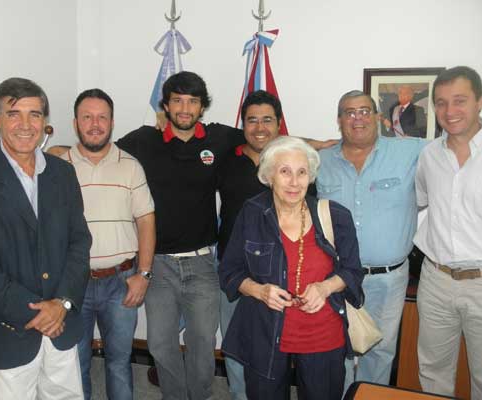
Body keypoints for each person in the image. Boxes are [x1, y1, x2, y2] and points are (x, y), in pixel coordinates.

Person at [116, 71, 332, 400]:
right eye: (177, 100)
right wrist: (62, 152)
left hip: (204, 261)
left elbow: (267, 138)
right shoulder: (145, 139)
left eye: (192, 101)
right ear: (166, 105)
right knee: (160, 342)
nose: (185, 108)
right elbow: (103, 152)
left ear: (203, 107)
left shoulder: (219, 139)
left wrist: (316, 144)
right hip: (158, 263)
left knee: (204, 342)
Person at [0, 77, 92, 400]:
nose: (25, 124)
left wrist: (63, 303)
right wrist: (37, 314)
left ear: (45, 122)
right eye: (14, 113)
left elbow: (78, 243)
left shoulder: (62, 173)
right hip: (9, 330)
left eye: (35, 114)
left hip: (62, 325)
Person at [219, 136, 364, 400]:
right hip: (265, 334)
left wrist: (325, 287)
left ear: (310, 177)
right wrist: (259, 290)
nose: (294, 182)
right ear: (269, 176)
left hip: (322, 334)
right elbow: (229, 272)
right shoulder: (251, 213)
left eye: (301, 172)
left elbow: (353, 271)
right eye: (285, 171)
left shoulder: (335, 215)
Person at [317, 90, 426, 388]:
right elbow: (275, 147)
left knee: (379, 352)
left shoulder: (410, 151)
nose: (358, 118)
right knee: (333, 350)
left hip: (387, 280)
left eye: (365, 111)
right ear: (339, 120)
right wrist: (312, 143)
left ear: (378, 117)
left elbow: (455, 143)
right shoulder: (320, 160)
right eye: (349, 112)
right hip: (335, 277)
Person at [61, 89, 155, 400]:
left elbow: (146, 221)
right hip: (73, 285)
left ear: (112, 123)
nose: (95, 124)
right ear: (76, 123)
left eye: (102, 117)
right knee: (76, 363)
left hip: (121, 282)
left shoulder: (131, 166)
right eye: (87, 117)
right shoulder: (58, 168)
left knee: (118, 362)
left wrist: (143, 274)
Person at [414, 66, 482, 400]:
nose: (449, 111)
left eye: (460, 101)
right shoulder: (429, 155)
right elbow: (421, 203)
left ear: (480, 102)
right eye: (441, 103)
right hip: (437, 280)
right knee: (432, 372)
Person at [217, 90, 281, 400]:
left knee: (274, 340)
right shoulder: (226, 158)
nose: (259, 127)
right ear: (242, 124)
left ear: (279, 124)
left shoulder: (290, 160)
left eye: (267, 120)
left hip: (277, 269)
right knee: (234, 341)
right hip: (233, 266)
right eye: (252, 120)